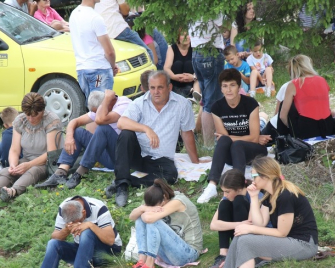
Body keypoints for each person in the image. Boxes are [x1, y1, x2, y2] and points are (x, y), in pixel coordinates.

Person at [197, 157, 319, 268]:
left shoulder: (286, 195)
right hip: (288, 242)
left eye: (254, 176)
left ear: (265, 176)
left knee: (246, 239)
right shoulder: (270, 195)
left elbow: (282, 232)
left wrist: (251, 228)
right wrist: (254, 197)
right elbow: (259, 222)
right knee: (242, 236)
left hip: (304, 244)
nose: (251, 180)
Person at [109, 71, 200, 207]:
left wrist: (195, 161)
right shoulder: (139, 103)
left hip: (161, 159)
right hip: (138, 155)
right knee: (126, 133)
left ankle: (126, 181)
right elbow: (121, 122)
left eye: (160, 87)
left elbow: (187, 133)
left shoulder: (182, 104)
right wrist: (146, 129)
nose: (156, 92)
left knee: (171, 177)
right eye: (152, 88)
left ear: (169, 87)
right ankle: (122, 186)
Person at [21, 195, 122, 268]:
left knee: (87, 232)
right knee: (53, 243)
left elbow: (110, 240)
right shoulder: (64, 208)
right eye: (70, 223)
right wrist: (66, 230)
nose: (74, 225)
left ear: (84, 213)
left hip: (107, 252)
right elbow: (55, 236)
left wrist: (90, 225)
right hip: (83, 253)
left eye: (77, 221)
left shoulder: (98, 207)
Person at [0, 93, 62, 203]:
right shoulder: (20, 120)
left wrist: (29, 165)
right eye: (28, 115)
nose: (31, 119)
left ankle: (13, 191)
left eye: (35, 115)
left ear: (42, 111)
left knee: (33, 171)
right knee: (7, 171)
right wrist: (13, 164)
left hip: (47, 162)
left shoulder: (51, 120)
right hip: (27, 159)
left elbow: (51, 153)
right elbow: (14, 149)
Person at [197, 69, 267, 204]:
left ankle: (237, 186)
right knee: (226, 141)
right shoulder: (217, 107)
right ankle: (212, 185)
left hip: (254, 150)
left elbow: (254, 138)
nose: (228, 90)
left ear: (239, 87)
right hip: (232, 154)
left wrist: (230, 138)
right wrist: (227, 138)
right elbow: (223, 138)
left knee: (235, 143)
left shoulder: (250, 103)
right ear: (221, 89)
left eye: (232, 85)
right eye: (225, 86)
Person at [36, 90, 131, 189]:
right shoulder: (103, 106)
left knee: (103, 128)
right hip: (108, 153)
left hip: (122, 157)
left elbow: (101, 120)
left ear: (107, 104)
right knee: (77, 132)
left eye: (96, 112)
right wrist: (69, 137)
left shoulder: (124, 105)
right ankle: (60, 173)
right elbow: (75, 121)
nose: (95, 114)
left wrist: (106, 100)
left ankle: (80, 173)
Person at [123, 179, 203, 268]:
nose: (153, 209)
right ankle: (141, 262)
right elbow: (132, 216)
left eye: (156, 207)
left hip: (188, 254)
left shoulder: (178, 201)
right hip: (170, 253)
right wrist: (142, 209)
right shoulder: (155, 199)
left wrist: (145, 211)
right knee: (140, 218)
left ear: (165, 197)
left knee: (151, 221)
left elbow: (149, 218)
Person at [69, 0, 118, 104]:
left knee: (91, 109)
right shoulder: (95, 18)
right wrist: (113, 65)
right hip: (99, 69)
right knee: (102, 109)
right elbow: (109, 51)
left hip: (82, 69)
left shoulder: (74, 14)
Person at [188, 16, 225, 147]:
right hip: (210, 51)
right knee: (212, 102)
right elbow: (222, 26)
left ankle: (207, 142)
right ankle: (209, 146)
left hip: (196, 52)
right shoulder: (213, 5)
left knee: (206, 101)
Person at [279, 55, 335, 140]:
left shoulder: (294, 84)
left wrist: (292, 128)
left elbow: (282, 116)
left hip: (307, 127)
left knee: (285, 106)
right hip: (327, 124)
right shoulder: (322, 80)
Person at [163, 30, 201, 100]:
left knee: (189, 64)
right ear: (178, 37)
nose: (185, 37)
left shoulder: (196, 48)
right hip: (176, 81)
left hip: (191, 81)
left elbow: (200, 68)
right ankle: (178, 93)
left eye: (188, 35)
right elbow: (166, 68)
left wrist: (193, 77)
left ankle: (194, 95)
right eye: (182, 35)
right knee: (178, 64)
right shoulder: (172, 48)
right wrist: (174, 77)